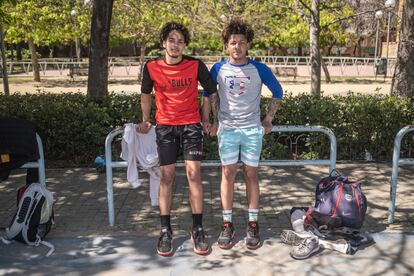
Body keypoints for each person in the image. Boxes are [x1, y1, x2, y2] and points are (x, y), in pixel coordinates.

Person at [137, 22, 217, 256]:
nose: (175, 44)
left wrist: (208, 119)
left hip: (191, 125)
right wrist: (145, 118)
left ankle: (198, 228)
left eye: (180, 40)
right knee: (167, 177)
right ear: (163, 43)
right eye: (171, 40)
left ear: (185, 45)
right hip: (165, 127)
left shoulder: (195, 65)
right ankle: (165, 230)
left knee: (194, 175)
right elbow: (145, 93)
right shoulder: (151, 66)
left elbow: (211, 92)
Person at [202, 20, 283, 250]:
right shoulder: (218, 69)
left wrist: (268, 119)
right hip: (227, 129)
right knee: (227, 173)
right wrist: (213, 120)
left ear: (248, 46)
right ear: (227, 46)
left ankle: (253, 223)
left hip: (251, 130)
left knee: (251, 174)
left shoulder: (259, 69)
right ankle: (227, 225)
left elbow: (278, 91)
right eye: (232, 43)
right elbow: (210, 94)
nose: (237, 46)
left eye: (241, 43)